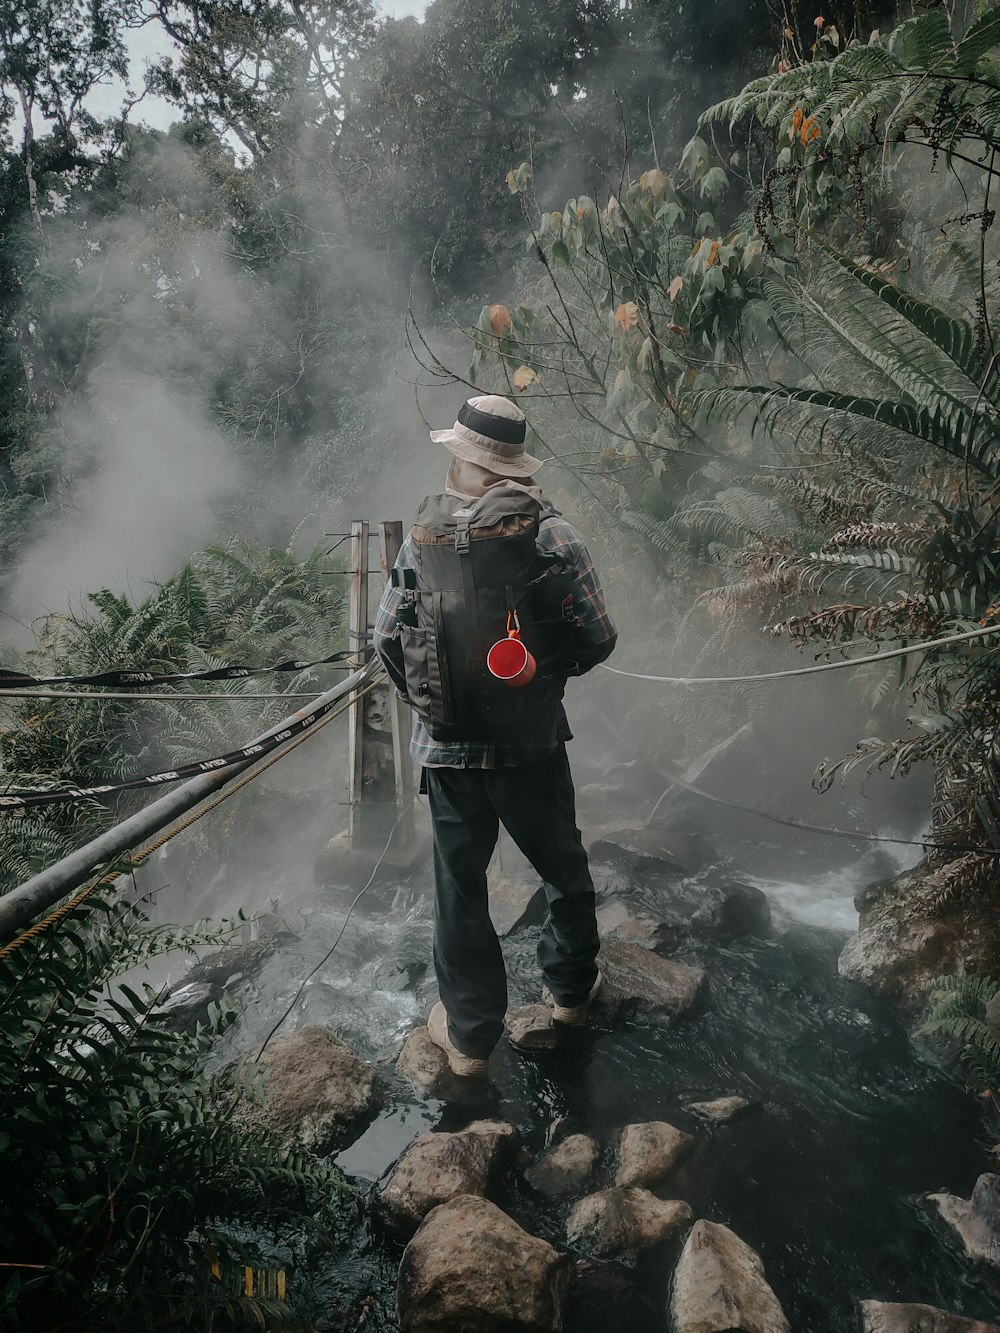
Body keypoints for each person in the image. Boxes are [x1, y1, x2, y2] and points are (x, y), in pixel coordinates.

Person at [373, 394, 617, 1078]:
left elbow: (386, 639)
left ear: (462, 457)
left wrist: (431, 703)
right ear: (513, 464)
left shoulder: (424, 536)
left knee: (461, 889)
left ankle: (471, 1040)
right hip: (531, 744)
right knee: (563, 868)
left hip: (447, 754)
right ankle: (569, 994)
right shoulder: (554, 534)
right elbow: (598, 635)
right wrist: (543, 675)